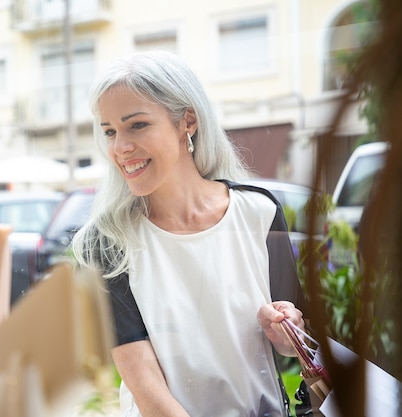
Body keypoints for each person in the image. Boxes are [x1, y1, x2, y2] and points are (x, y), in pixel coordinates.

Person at [72, 50, 307, 416]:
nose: (120, 148)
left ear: (188, 122)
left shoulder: (259, 212)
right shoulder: (106, 243)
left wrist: (288, 331)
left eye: (137, 125)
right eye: (109, 132)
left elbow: (298, 340)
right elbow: (148, 393)